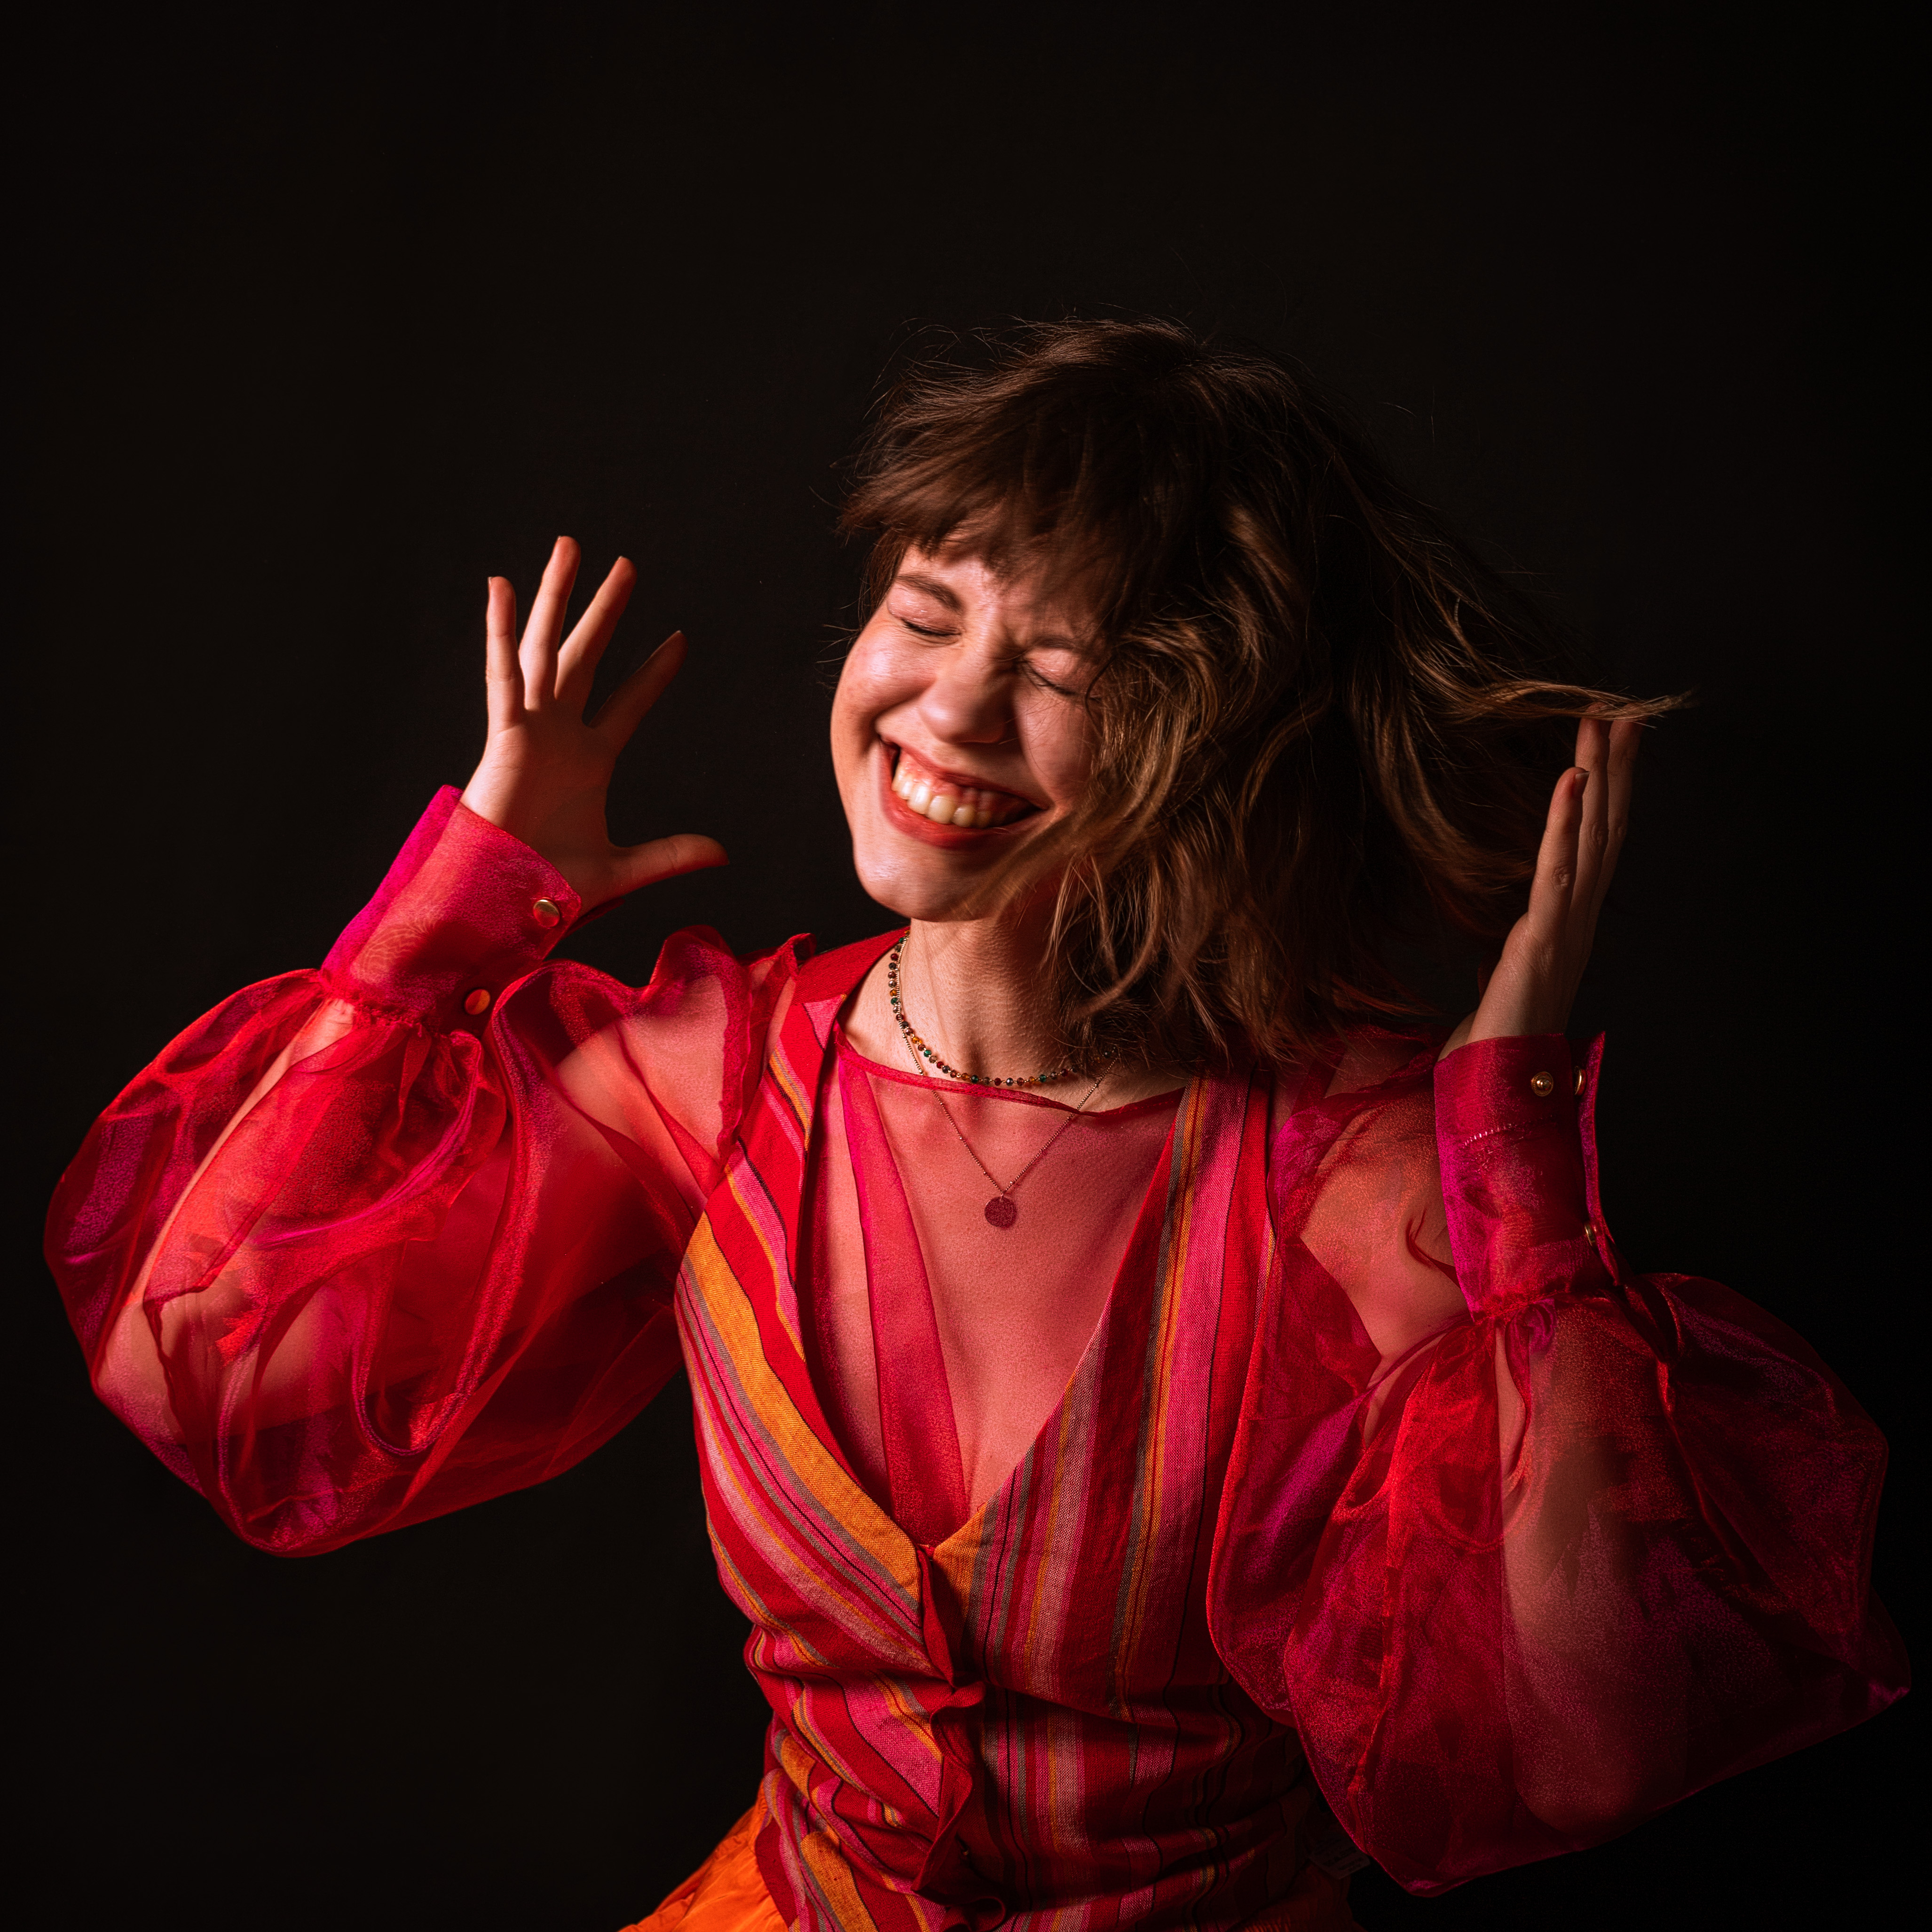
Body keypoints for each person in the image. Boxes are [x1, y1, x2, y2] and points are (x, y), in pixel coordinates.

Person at [46, 321, 1905, 1932]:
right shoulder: (708, 1079)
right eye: (925, 614)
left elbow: (1589, 1747)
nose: (949, 706)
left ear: (1208, 739)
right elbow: (192, 1366)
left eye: (1065, 672)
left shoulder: (1351, 1174)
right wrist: (451, 908)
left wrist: (1513, 1164)